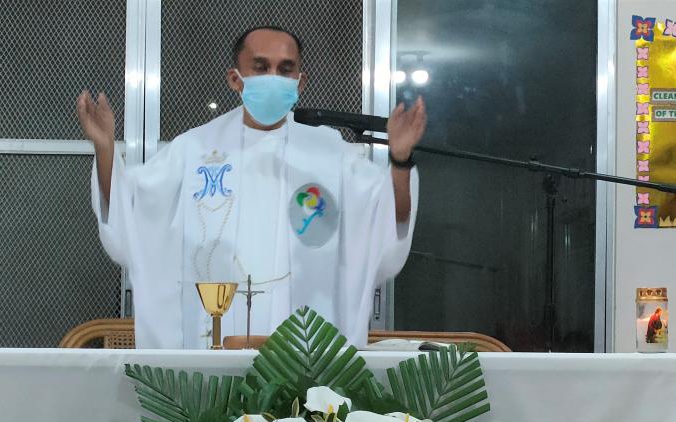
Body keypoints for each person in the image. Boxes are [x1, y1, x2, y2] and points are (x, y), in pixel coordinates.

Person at [79, 26, 426, 348]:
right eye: (261, 67)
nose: (274, 77)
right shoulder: (194, 148)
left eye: (285, 69)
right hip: (215, 337)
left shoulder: (329, 152)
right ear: (235, 78)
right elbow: (132, 208)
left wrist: (400, 159)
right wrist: (106, 149)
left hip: (304, 340)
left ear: (300, 82)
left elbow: (386, 219)